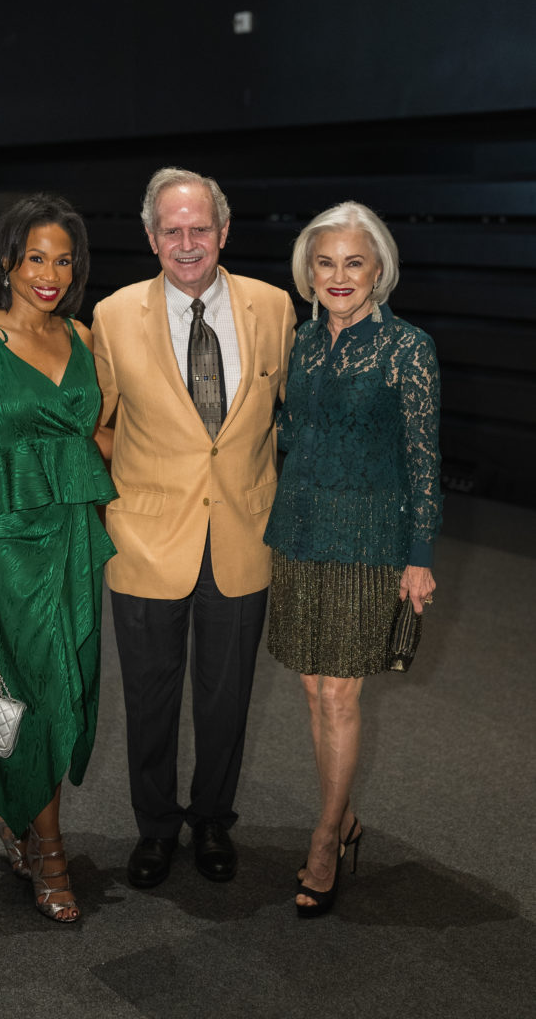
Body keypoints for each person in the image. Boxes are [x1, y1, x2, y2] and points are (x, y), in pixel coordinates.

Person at [92, 167, 296, 888]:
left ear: (224, 232)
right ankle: (155, 828)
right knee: (148, 699)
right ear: (151, 238)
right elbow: (96, 422)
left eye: (200, 229)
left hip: (245, 533)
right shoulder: (113, 316)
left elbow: (286, 419)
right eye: (172, 231)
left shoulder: (274, 309)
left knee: (225, 696)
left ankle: (212, 819)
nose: (187, 244)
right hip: (146, 540)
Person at [264, 201, 442, 916]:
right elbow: (288, 431)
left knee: (341, 693)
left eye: (354, 263)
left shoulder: (408, 347)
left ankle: (325, 835)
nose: (339, 277)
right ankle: (343, 816)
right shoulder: (302, 343)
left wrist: (420, 555)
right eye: (326, 262)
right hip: (300, 531)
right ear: (309, 271)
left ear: (380, 270)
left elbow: (424, 458)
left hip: (370, 540)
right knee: (312, 688)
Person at [0, 193, 116, 923]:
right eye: (36, 258)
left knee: (68, 685)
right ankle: (46, 849)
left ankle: (9, 811)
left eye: (64, 259)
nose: (50, 273)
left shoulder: (81, 333)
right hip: (9, 547)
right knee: (34, 687)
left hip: (77, 537)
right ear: (8, 262)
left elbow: (100, 437)